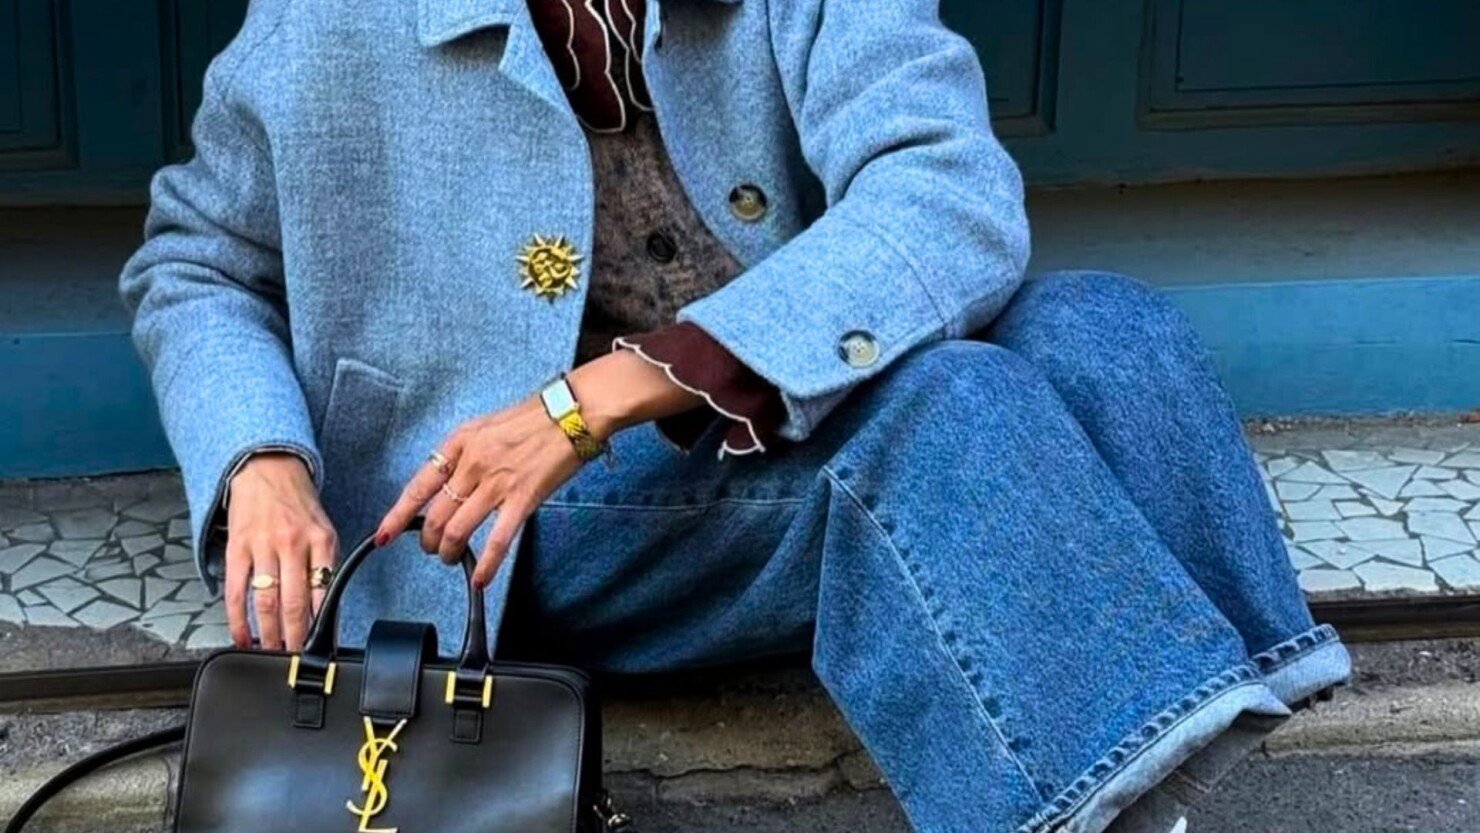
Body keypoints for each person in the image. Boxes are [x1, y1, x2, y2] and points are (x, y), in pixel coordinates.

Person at [119, 1, 1350, 830]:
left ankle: (1199, 730)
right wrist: (261, 457)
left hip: (775, 402)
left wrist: (607, 389)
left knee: (1103, 324)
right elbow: (197, 263)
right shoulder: (327, 17)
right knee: (951, 403)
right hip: (520, 519)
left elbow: (949, 187)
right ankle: (1109, 781)